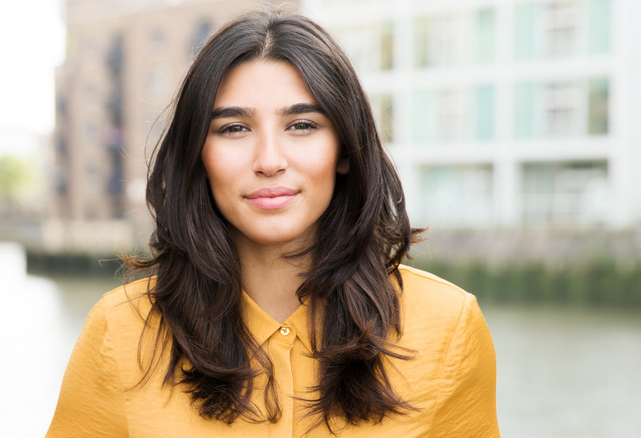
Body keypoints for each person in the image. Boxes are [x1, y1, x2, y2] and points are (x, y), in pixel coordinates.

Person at [46, 9, 499, 438]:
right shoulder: (120, 331)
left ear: (343, 148)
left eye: (302, 125)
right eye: (233, 129)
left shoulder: (449, 327)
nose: (268, 161)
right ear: (197, 155)